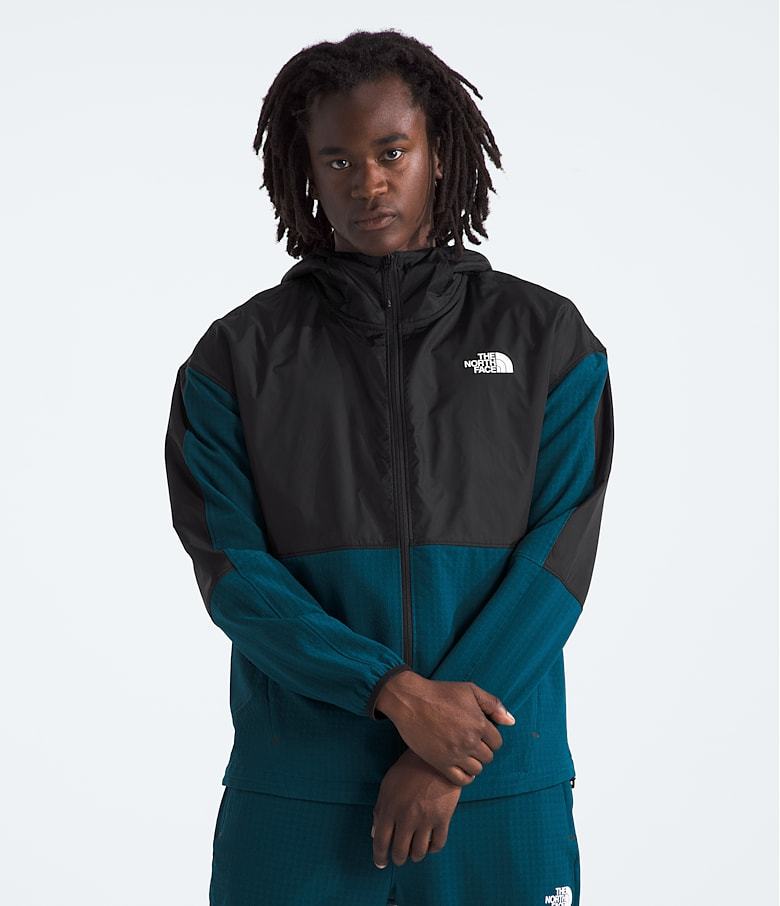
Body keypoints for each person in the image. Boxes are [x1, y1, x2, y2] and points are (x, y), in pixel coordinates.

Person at [164, 27, 614, 906]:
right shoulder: (235, 359)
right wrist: (395, 695)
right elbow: (234, 575)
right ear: (305, 171)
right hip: (301, 795)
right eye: (337, 160)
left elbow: (557, 563)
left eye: (391, 152)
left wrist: (449, 754)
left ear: (438, 152)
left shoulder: (548, 341)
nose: (367, 183)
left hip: (496, 792)